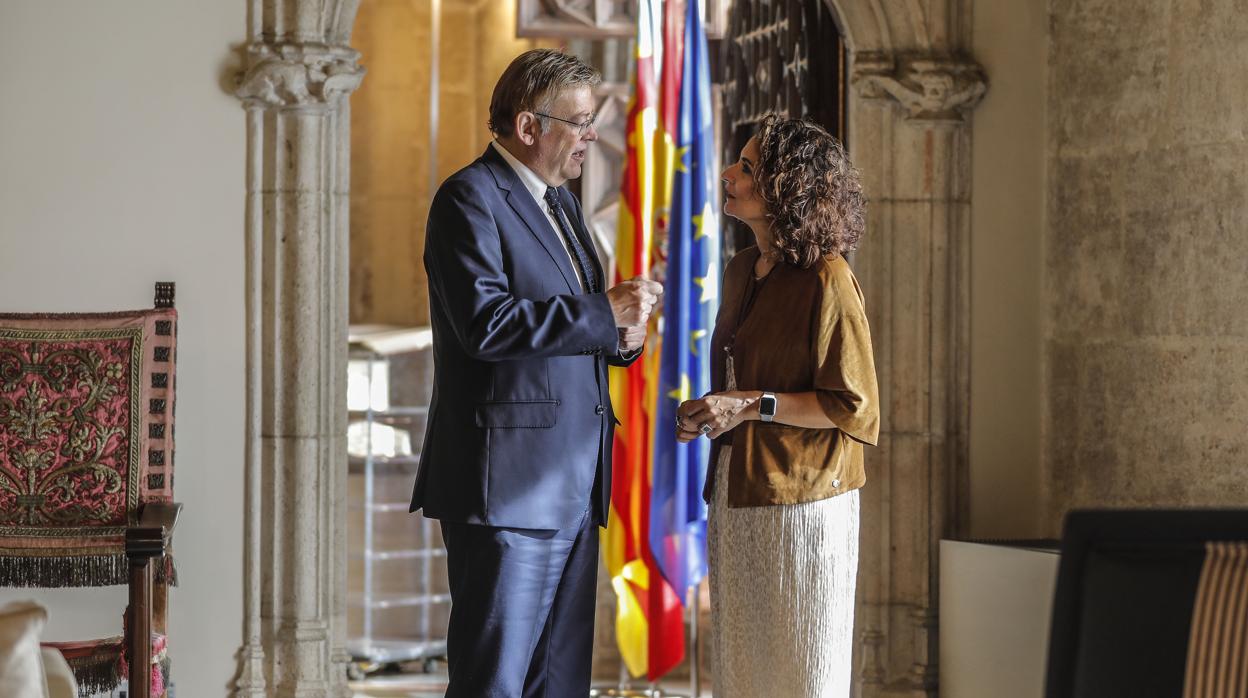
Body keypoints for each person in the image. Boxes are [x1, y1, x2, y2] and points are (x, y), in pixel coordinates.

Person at [409, 48, 662, 697]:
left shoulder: (563, 204)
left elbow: (581, 327)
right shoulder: (469, 199)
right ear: (529, 126)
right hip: (508, 493)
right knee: (494, 680)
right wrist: (602, 312)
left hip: (574, 487)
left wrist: (624, 333)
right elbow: (487, 325)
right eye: (579, 123)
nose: (591, 137)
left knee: (560, 683)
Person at [675, 115, 879, 697]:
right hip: (737, 498)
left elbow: (854, 407)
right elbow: (740, 379)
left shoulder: (828, 278)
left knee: (802, 674)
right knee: (744, 675)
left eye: (746, 167)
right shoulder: (742, 270)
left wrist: (749, 405)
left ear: (786, 186)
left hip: (803, 503)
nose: (728, 175)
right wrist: (708, 412)